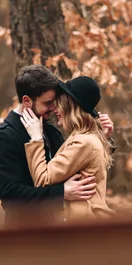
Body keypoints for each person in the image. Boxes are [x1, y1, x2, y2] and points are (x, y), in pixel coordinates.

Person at [0, 65, 115, 225]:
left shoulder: (50, 130)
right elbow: (10, 196)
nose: (53, 108)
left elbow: (76, 165)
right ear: (27, 101)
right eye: (48, 103)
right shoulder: (3, 137)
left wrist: (101, 138)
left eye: (54, 102)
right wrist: (61, 193)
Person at [20, 76, 115, 221]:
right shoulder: (88, 139)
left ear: (71, 107)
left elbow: (42, 179)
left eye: (60, 104)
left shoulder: (83, 142)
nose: (54, 109)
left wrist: (36, 138)